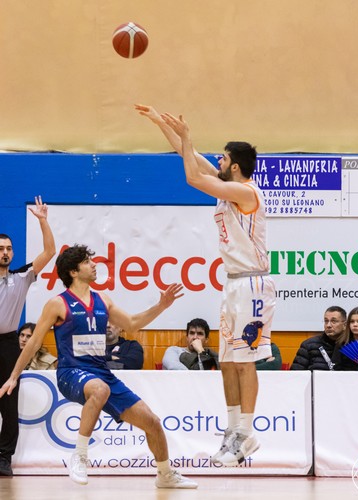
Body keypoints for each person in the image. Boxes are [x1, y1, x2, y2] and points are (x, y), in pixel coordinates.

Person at [135, 105, 276, 467]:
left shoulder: (247, 193)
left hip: (253, 284)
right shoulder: (228, 187)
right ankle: (233, 431)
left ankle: (247, 433)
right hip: (234, 284)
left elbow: (192, 178)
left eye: (223, 158)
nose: (218, 160)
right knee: (227, 361)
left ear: (236, 166)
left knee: (244, 361)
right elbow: (188, 155)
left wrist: (187, 134)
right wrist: (162, 125)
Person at [0, 244, 197, 489]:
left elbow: (132, 324)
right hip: (70, 372)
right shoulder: (57, 304)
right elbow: (34, 343)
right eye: (87, 262)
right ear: (73, 272)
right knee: (100, 389)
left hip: (101, 374)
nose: (94, 265)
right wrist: (14, 376)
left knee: (153, 423)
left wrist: (161, 306)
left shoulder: (102, 299)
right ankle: (80, 456)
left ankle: (165, 474)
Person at [0, 195, 55, 477]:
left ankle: (3, 458)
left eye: (9, 249)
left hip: (8, 344)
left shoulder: (21, 277)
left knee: (9, 404)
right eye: (0, 249)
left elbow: (50, 251)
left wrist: (43, 221)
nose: (5, 253)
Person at [290, 306, 347, 371]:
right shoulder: (308, 345)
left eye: (333, 321)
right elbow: (296, 373)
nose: (328, 325)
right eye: (326, 321)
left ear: (344, 325)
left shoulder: (351, 346)